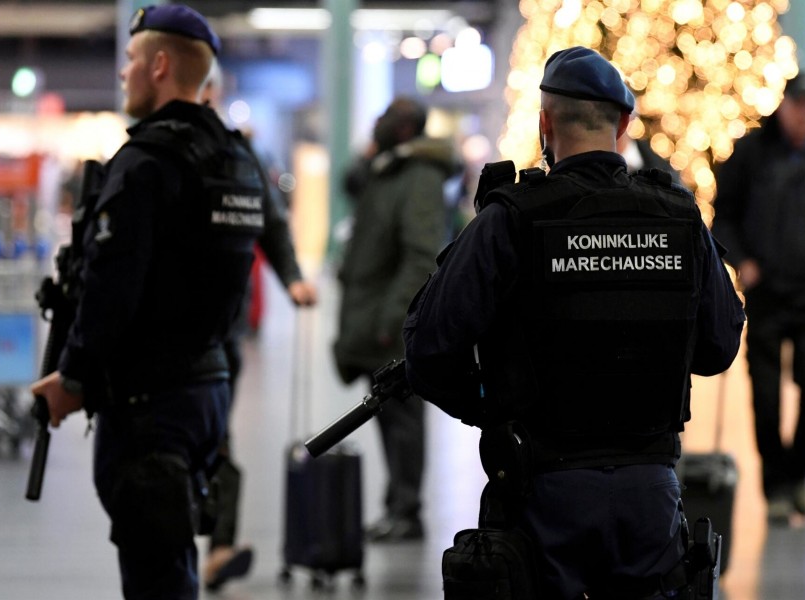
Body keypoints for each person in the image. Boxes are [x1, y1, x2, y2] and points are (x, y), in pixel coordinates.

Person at [403, 47, 745, 598]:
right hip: (649, 492)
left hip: (544, 488)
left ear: (544, 124)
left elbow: (429, 350)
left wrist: (494, 409)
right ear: (624, 126)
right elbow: (718, 347)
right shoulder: (679, 217)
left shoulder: (509, 219)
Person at [30, 5, 269, 599]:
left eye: (131, 60)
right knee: (171, 561)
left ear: (160, 66)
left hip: (147, 406)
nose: (123, 74)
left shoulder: (145, 164)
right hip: (208, 390)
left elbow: (112, 288)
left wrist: (74, 377)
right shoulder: (238, 163)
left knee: (156, 578)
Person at [712, 73, 805, 524]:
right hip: (766, 295)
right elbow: (724, 219)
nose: (803, 115)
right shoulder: (751, 153)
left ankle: (797, 476)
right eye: (797, 106)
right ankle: (776, 487)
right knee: (766, 397)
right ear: (783, 107)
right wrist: (742, 260)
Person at [198, 60, 318, 592]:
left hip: (217, 328)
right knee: (192, 440)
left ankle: (219, 545)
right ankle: (198, 544)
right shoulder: (150, 156)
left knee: (216, 435)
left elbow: (269, 219)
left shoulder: (234, 155)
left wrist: (292, 278)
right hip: (165, 335)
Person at [334, 97, 455, 542]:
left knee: (403, 421)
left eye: (384, 117)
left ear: (403, 129)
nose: (376, 122)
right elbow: (350, 182)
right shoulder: (388, 168)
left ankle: (407, 511)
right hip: (374, 321)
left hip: (391, 325)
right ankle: (397, 507)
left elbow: (421, 254)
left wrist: (395, 316)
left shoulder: (420, 177)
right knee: (388, 419)